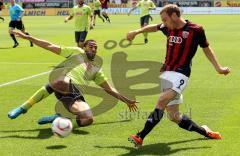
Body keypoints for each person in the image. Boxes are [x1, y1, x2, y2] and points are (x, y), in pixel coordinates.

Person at [126, 4, 230, 148]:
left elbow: (206, 48)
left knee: (161, 100)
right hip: (166, 73)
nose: (163, 23)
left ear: (174, 16)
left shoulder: (195, 30)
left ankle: (140, 136)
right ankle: (206, 132)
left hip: (181, 73)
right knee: (174, 116)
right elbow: (154, 27)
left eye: (165, 19)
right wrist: (136, 31)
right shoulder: (168, 27)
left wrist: (218, 68)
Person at [8, 31, 138, 127]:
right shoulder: (76, 52)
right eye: (91, 46)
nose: (93, 49)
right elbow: (49, 45)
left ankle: (60, 119)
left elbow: (109, 89)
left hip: (75, 94)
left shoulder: (96, 69)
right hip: (62, 83)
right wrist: (28, 37)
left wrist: (127, 101)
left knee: (88, 119)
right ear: (84, 48)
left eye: (95, 47)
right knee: (62, 81)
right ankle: (23, 108)